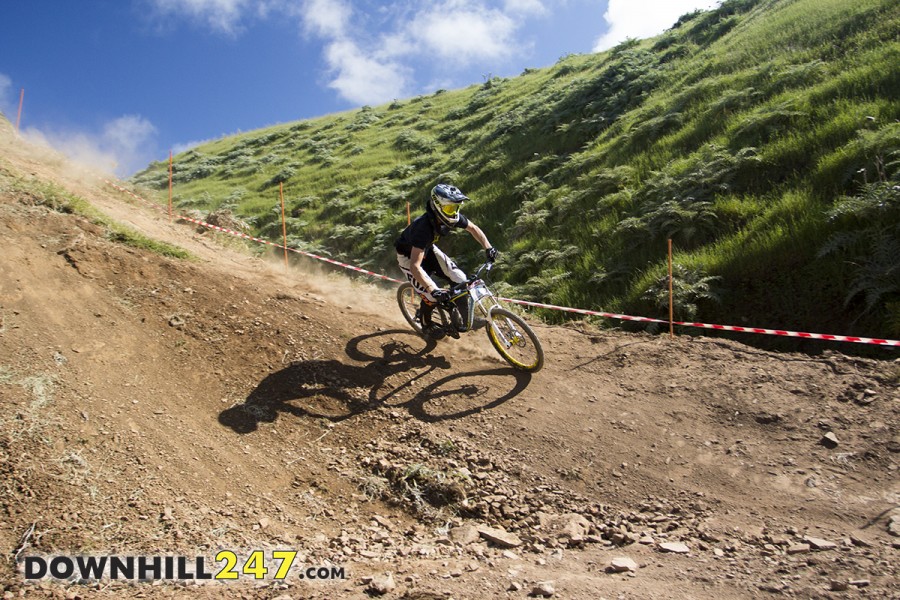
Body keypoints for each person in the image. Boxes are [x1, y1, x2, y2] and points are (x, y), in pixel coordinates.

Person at [395, 183, 499, 338]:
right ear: (437, 206)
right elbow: (415, 266)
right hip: (409, 257)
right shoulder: (423, 228)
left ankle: (465, 318)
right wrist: (433, 289)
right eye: (450, 209)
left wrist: (488, 248)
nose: (454, 213)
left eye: (456, 208)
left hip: (428, 250)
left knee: (460, 279)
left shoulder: (448, 216)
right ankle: (426, 324)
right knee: (431, 296)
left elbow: (473, 228)